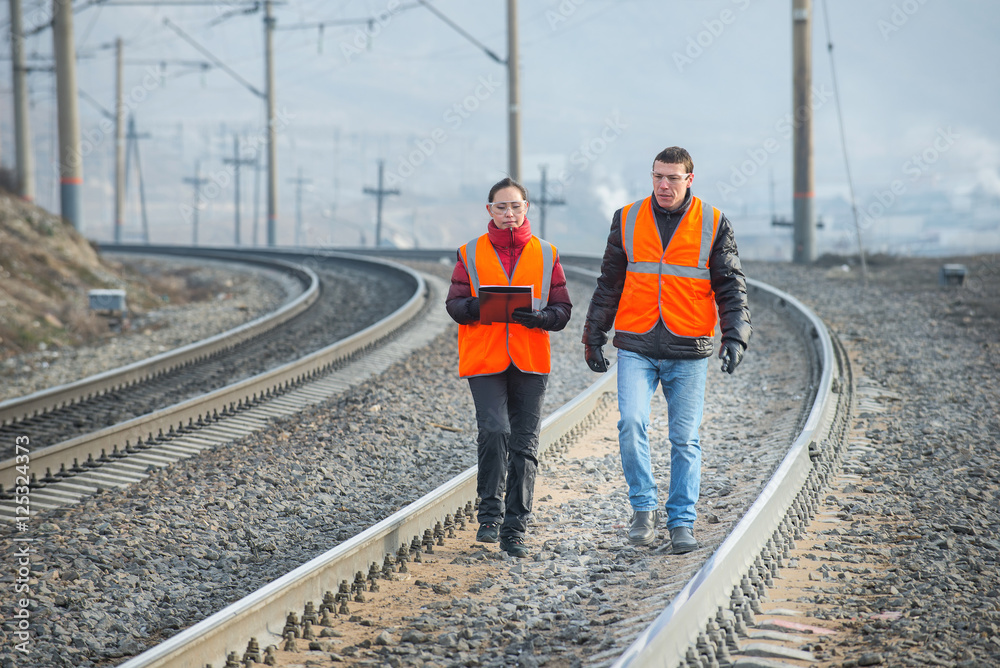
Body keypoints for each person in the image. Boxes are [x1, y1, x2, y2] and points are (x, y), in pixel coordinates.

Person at [582, 147, 751, 554]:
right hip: (637, 343)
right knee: (631, 424)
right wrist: (593, 333)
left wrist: (735, 336)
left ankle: (681, 522)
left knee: (684, 439)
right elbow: (609, 283)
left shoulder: (713, 222)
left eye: (673, 178)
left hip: (688, 346)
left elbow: (730, 284)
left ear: (689, 179)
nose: (663, 185)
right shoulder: (626, 219)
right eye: (658, 176)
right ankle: (643, 509)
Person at [446, 177, 573, 558]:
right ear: (490, 211)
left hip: (530, 360)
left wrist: (540, 318)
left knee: (524, 443)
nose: (509, 214)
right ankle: (489, 515)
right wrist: (483, 308)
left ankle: (515, 527)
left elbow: (563, 309)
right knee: (495, 429)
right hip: (484, 359)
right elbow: (454, 305)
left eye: (515, 206)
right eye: (501, 207)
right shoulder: (469, 253)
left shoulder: (547, 253)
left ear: (526, 208)